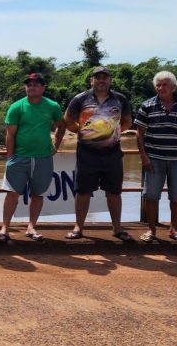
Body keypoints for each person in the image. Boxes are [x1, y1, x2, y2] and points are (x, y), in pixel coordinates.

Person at [64, 66, 133, 241]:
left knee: (114, 191)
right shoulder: (80, 99)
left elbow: (127, 121)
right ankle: (78, 227)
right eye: (98, 77)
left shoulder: (120, 99)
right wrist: (81, 131)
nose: (101, 80)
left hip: (112, 153)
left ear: (110, 80)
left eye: (105, 77)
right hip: (87, 153)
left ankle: (117, 228)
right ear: (91, 80)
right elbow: (68, 120)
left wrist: (111, 133)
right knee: (83, 191)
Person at [0, 73, 65, 242]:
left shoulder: (52, 106)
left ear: (43, 87)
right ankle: (4, 228)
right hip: (19, 158)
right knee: (12, 193)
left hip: (43, 158)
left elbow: (61, 126)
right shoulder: (16, 107)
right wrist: (10, 158)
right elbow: (10, 135)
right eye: (29, 84)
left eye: (36, 84)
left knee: (38, 194)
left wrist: (56, 145)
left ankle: (31, 227)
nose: (31, 87)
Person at [135, 71, 177, 245]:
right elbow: (139, 135)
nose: (161, 88)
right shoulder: (146, 105)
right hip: (153, 158)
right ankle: (151, 230)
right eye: (158, 85)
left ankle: (174, 229)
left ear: (174, 87)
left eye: (165, 84)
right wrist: (144, 157)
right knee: (151, 196)